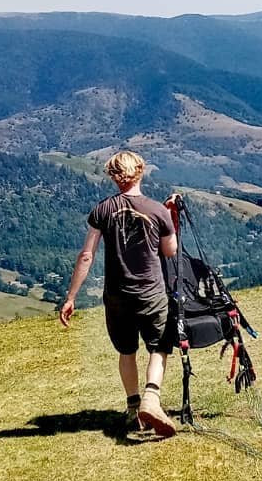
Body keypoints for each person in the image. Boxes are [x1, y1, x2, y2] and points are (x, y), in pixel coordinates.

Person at [60, 151, 179, 437]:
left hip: (116, 294)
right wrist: (171, 218)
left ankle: (132, 408)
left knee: (126, 350)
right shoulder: (157, 210)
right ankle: (152, 398)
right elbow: (170, 251)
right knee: (158, 347)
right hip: (151, 291)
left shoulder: (102, 210)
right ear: (141, 171)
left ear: (114, 176)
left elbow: (86, 256)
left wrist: (71, 297)